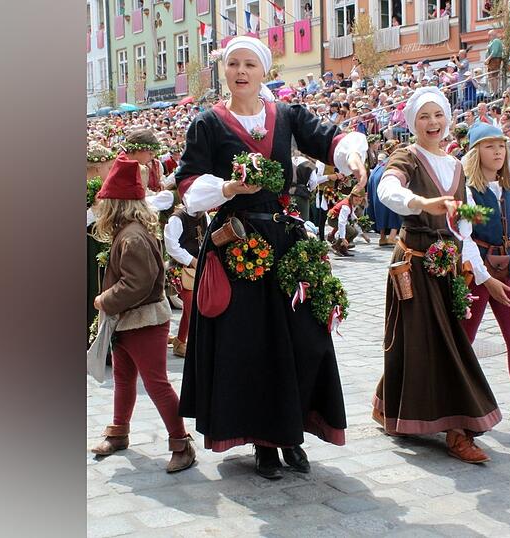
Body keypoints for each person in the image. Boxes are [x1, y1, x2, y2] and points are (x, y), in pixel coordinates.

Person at [174, 36, 368, 480]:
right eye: (233, 64)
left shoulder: (286, 116)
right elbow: (187, 185)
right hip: (236, 242)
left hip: (282, 241)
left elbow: (329, 139)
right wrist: (226, 188)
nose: (241, 71)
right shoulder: (208, 124)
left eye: (250, 64)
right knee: (250, 345)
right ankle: (264, 441)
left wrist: (353, 155)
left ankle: (292, 431)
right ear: (224, 71)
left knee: (303, 338)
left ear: (264, 72)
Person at [373, 87, 501, 463]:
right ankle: (458, 429)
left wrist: (481, 273)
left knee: (426, 340)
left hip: (444, 265)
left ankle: (389, 404)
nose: (432, 123)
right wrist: (419, 202)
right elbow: (388, 188)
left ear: (448, 119)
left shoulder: (457, 166)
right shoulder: (407, 157)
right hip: (413, 263)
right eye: (424, 117)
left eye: (438, 115)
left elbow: (463, 227)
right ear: (413, 123)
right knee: (430, 341)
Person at [89, 155, 197, 473]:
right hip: (131, 320)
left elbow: (137, 283)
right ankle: (119, 431)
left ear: (116, 204)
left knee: (156, 383)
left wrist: (104, 300)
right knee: (123, 378)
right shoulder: (130, 231)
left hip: (143, 321)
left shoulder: (132, 236)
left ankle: (181, 442)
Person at [459, 123, 510, 437]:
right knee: (463, 343)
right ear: (476, 151)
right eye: (489, 146)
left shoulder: (508, 189)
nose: (497, 152)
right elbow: (464, 238)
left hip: (505, 270)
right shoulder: (467, 189)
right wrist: (483, 277)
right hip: (476, 274)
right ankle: (458, 411)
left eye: (501, 146)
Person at [164, 204, 209, 357]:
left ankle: (180, 341)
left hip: (198, 268)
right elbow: (171, 246)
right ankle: (195, 346)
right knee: (192, 308)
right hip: (180, 268)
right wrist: (192, 260)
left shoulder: (204, 215)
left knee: (190, 307)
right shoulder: (177, 218)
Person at [367, 140, 403, 246]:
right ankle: (392, 237)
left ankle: (382, 238)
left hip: (376, 186)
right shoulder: (394, 161)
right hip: (385, 183)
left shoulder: (382, 163)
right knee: (396, 208)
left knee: (380, 210)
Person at [326, 186, 369, 257]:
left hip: (338, 219)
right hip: (333, 219)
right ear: (352, 197)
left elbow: (352, 215)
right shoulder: (346, 207)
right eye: (356, 200)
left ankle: (343, 248)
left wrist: (357, 221)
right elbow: (341, 223)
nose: (358, 202)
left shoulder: (352, 204)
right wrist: (343, 238)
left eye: (360, 200)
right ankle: (336, 246)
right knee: (351, 231)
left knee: (355, 232)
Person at [484, 30, 503, 96]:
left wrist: (488, 59)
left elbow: (494, 51)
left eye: (490, 35)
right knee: (490, 76)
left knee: (493, 76)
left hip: (495, 60)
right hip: (491, 61)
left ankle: (495, 91)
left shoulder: (496, 41)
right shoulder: (491, 42)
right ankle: (493, 91)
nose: (488, 36)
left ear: (494, 35)